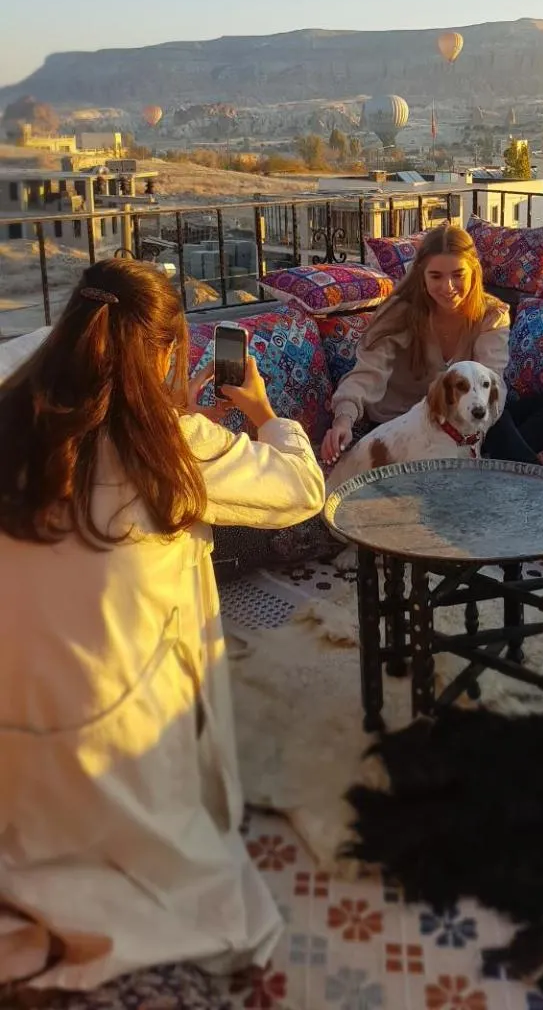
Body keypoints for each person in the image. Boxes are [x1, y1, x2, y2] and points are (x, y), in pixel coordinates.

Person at [0, 259, 325, 994]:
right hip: (122, 733)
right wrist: (264, 413)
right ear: (169, 351)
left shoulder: (15, 419)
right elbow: (302, 489)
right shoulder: (172, 447)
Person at [321, 225, 543, 467]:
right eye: (436, 276)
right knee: (503, 427)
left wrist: (476, 430)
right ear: (422, 274)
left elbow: (493, 380)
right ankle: (525, 472)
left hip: (464, 417)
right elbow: (367, 374)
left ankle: (488, 457)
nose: (448, 287)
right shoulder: (400, 313)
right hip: (408, 426)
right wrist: (343, 419)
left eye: (458, 275)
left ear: (473, 272)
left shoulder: (491, 314)